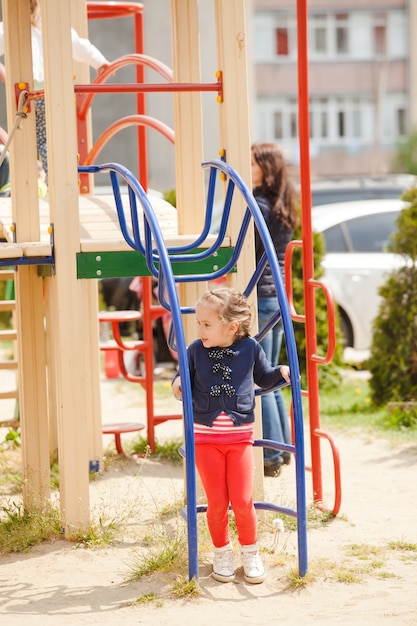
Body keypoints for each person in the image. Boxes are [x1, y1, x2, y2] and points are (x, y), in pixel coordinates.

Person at [171, 287, 290, 584]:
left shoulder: (249, 348)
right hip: (206, 440)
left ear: (231, 326)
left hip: (238, 441)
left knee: (242, 499)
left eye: (206, 324)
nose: (200, 329)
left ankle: (250, 552)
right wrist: (177, 384)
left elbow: (264, 376)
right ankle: (222, 551)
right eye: (198, 323)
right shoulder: (196, 350)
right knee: (217, 501)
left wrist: (282, 372)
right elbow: (181, 375)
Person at [0, 0, 109, 183]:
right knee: (48, 138)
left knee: (24, 138)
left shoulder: (11, 27)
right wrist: (100, 62)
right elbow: (80, 46)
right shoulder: (54, 27)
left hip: (25, 93)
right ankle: (56, 179)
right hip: (49, 90)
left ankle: (27, 183)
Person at [251, 143, 299, 477]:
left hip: (263, 295)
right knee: (276, 378)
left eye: (251, 162)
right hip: (279, 296)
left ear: (265, 169)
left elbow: (244, 250)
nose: (246, 167)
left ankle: (269, 455)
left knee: (262, 379)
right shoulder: (282, 205)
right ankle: (281, 450)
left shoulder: (258, 204)